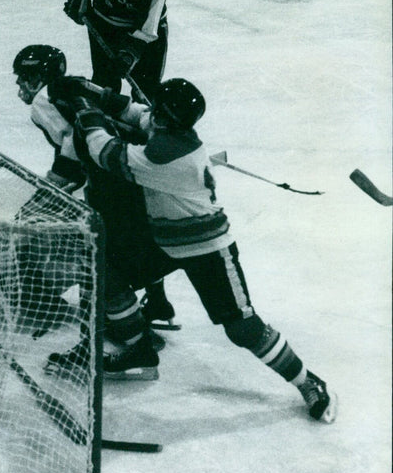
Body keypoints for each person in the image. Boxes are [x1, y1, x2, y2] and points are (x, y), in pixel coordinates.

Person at [73, 77, 337, 423]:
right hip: (166, 243)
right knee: (104, 271)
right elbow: (137, 114)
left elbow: (106, 153)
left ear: (166, 118)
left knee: (243, 329)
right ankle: (140, 349)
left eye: (158, 110)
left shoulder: (165, 156)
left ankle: (309, 381)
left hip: (208, 250)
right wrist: (95, 91)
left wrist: (86, 110)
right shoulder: (170, 132)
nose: (151, 113)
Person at [12, 44, 176, 380]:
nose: (21, 88)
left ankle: (103, 340)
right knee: (133, 244)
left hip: (113, 185)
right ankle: (157, 304)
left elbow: (74, 143)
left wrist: (50, 190)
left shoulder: (43, 100)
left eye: (24, 79)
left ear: (38, 77)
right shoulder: (79, 83)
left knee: (97, 256)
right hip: (135, 172)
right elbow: (132, 110)